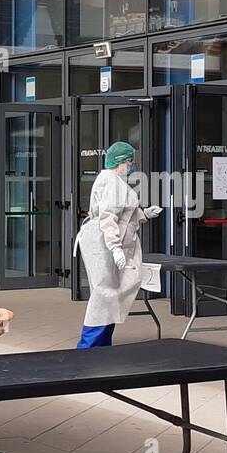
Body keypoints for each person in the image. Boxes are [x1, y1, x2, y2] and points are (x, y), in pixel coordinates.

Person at [75, 141, 163, 348]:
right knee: (105, 294)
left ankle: (101, 346)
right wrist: (115, 247)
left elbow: (122, 216)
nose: (131, 165)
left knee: (110, 296)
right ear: (121, 161)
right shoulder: (111, 181)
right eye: (130, 161)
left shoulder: (113, 181)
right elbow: (108, 217)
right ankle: (87, 347)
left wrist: (144, 214)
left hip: (106, 243)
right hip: (104, 245)